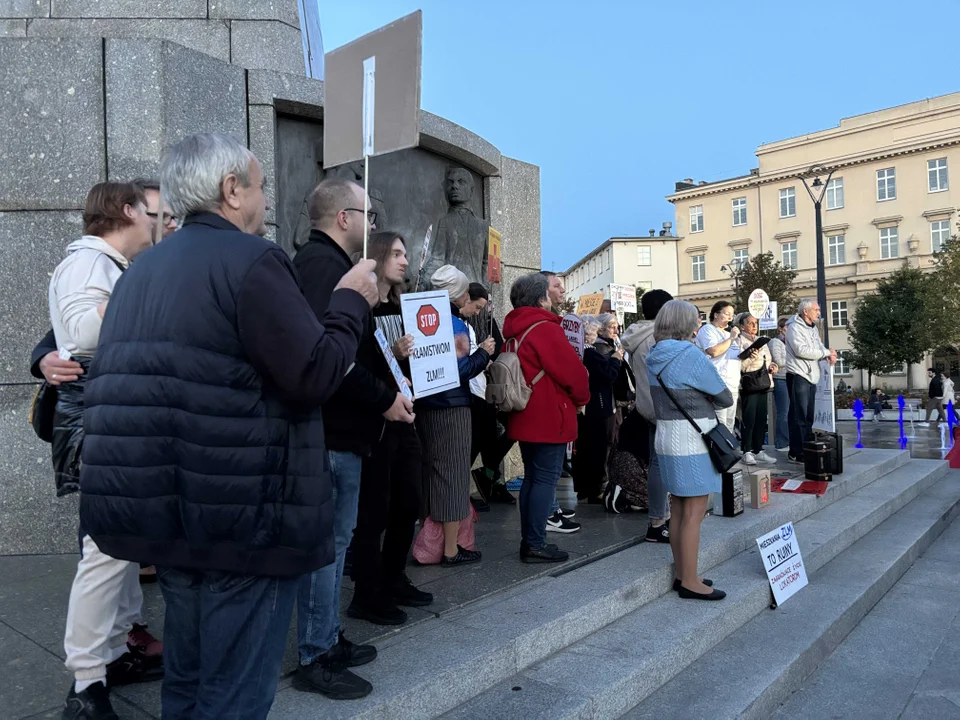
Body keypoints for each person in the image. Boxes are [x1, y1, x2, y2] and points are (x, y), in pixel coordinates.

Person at [78, 133, 379, 720]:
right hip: (244, 517)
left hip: (165, 512)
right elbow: (314, 373)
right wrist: (349, 304)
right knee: (235, 693)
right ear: (231, 189)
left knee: (187, 684)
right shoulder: (253, 259)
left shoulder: (143, 270)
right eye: (261, 186)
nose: (267, 200)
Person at [291, 179, 415, 699]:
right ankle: (315, 655)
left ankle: (326, 638)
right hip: (335, 430)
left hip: (343, 430)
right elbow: (332, 356)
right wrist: (383, 399)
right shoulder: (324, 268)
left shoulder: (327, 266)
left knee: (337, 542)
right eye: (368, 213)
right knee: (329, 546)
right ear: (344, 218)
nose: (373, 223)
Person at [49, 181, 159, 720]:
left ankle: (113, 655)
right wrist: (145, 297)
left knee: (120, 547)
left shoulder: (106, 265)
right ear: (124, 210)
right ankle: (87, 682)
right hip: (100, 416)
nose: (153, 222)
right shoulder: (89, 262)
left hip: (111, 414)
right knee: (105, 548)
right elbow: (81, 331)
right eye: (147, 211)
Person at [349, 232, 434, 641]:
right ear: (377, 255)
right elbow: (354, 363)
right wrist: (394, 356)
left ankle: (394, 575)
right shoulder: (360, 306)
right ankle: (367, 592)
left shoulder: (403, 307)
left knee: (408, 501)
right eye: (396, 253)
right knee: (374, 510)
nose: (403, 261)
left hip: (406, 416)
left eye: (405, 254)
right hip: (376, 420)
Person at [646, 300, 732, 601]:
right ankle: (691, 580)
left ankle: (684, 573)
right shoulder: (691, 356)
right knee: (694, 512)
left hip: (667, 437)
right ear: (686, 324)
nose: (699, 323)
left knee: (679, 509)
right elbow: (725, 397)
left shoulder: (654, 354)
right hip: (693, 440)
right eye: (695, 319)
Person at [502, 273, 590, 563]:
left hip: (524, 413)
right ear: (541, 298)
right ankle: (535, 543)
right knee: (544, 481)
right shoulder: (544, 328)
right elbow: (573, 373)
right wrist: (581, 399)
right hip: (549, 415)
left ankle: (531, 540)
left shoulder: (515, 329)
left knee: (532, 479)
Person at [419, 265, 493, 565]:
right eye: (464, 291)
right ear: (457, 294)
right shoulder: (455, 325)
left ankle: (437, 544)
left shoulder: (422, 318)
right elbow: (459, 371)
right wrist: (484, 353)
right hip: (452, 407)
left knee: (436, 473)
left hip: (427, 406)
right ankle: (450, 549)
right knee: (453, 475)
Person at [620, 289, 674, 543]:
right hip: (665, 406)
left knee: (657, 462)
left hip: (646, 405)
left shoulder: (637, 333)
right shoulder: (658, 337)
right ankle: (657, 520)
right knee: (660, 465)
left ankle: (660, 516)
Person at [573, 316, 621, 504]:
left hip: (585, 406)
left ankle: (583, 488)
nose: (595, 336)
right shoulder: (591, 354)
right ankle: (593, 489)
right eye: (593, 332)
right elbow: (608, 375)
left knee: (584, 448)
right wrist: (616, 359)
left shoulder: (577, 352)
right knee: (596, 448)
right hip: (597, 405)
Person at [784, 299, 837, 462]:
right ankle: (796, 451)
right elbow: (801, 350)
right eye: (816, 309)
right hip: (798, 375)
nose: (818, 312)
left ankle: (806, 447)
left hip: (811, 376)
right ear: (805, 311)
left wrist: (830, 353)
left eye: (819, 310)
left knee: (808, 416)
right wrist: (825, 353)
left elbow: (819, 347)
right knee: (798, 415)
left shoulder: (813, 329)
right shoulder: (793, 328)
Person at [734, 313, 778, 465]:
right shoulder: (739, 341)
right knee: (749, 418)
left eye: (756, 323)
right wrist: (749, 359)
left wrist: (773, 366)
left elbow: (768, 359)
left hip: (763, 383)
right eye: (750, 323)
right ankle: (746, 450)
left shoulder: (761, 341)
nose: (754, 326)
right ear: (742, 326)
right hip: (749, 384)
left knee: (761, 418)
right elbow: (738, 366)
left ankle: (758, 450)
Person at [695, 301, 741, 434]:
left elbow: (734, 358)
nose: (730, 318)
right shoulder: (707, 330)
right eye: (727, 314)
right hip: (718, 384)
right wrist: (732, 338)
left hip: (733, 384)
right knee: (720, 424)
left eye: (732, 315)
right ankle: (719, 453)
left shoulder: (728, 335)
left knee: (730, 424)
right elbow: (713, 351)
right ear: (716, 314)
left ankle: (729, 452)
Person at [767, 318, 790, 452]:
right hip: (780, 379)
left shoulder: (789, 343)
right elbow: (778, 361)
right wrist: (793, 357)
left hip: (789, 378)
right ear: (780, 329)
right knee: (783, 412)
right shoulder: (775, 342)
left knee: (789, 411)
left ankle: (788, 440)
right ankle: (781, 442)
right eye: (787, 328)